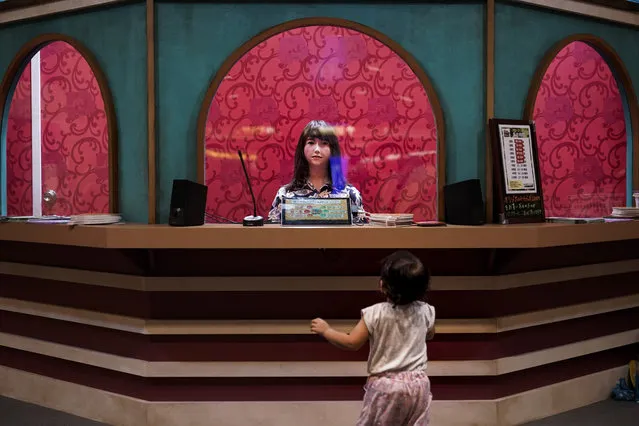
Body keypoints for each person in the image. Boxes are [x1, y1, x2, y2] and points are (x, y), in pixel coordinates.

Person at [311, 251, 436, 425]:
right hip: (419, 385)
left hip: (386, 386)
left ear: (382, 285)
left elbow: (351, 342)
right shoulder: (426, 311)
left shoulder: (375, 314)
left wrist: (326, 330)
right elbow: (430, 333)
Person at [268, 120, 363, 223]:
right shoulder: (285, 194)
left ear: (332, 149)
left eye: (324, 143)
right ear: (302, 148)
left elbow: (361, 236)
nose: (317, 149)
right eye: (311, 143)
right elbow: (273, 235)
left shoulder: (350, 195)